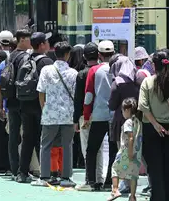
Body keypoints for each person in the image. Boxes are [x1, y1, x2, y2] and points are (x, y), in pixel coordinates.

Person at [138, 50, 169, 201]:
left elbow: (143, 106)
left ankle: (157, 196)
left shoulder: (148, 82)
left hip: (152, 128)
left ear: (154, 65)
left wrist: (155, 124)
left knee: (154, 167)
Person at [32, 42, 77, 187]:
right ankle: (66, 177)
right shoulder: (73, 73)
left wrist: (44, 108)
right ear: (67, 55)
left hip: (50, 114)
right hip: (68, 115)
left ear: (54, 53)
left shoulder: (46, 70)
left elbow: (41, 91)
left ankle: (45, 176)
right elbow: (76, 96)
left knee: (45, 145)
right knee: (67, 145)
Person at [76, 40, 117, 191]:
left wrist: (86, 117)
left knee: (91, 149)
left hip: (98, 115)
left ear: (99, 55)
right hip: (114, 116)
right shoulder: (117, 67)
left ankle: (91, 182)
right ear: (113, 53)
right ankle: (108, 182)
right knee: (113, 149)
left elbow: (88, 95)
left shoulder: (94, 70)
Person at [16, 32, 54, 183]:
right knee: (42, 140)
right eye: (47, 41)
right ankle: (45, 172)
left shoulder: (25, 59)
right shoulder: (47, 62)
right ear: (42, 45)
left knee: (27, 139)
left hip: (25, 103)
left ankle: (22, 172)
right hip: (40, 105)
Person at [0, 29, 32, 180]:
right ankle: (24, 170)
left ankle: (14, 168)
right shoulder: (25, 57)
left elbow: (0, 85)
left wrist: (0, 106)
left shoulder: (8, 58)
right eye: (28, 40)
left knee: (13, 135)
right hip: (23, 101)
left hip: (10, 101)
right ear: (22, 40)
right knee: (27, 136)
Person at [73, 42, 105, 186]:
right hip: (100, 113)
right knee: (99, 148)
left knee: (88, 147)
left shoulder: (81, 74)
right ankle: (99, 177)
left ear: (84, 56)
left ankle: (90, 178)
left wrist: (75, 119)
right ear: (98, 55)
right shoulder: (103, 71)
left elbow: (79, 99)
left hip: (85, 115)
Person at [109, 98, 143, 201]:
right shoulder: (138, 122)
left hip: (126, 151)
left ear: (127, 110)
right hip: (137, 153)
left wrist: (129, 151)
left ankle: (115, 190)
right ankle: (132, 196)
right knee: (133, 175)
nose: (122, 113)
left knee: (115, 168)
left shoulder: (128, 122)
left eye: (123, 110)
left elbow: (130, 137)